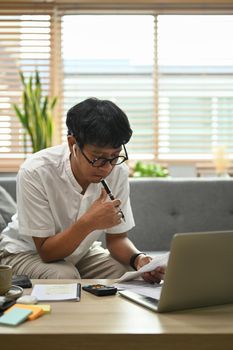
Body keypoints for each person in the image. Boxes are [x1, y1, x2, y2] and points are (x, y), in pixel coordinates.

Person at [0, 98, 165, 282]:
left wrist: (139, 259)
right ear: (73, 144)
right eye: (98, 158)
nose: (107, 168)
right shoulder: (35, 171)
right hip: (25, 252)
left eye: (114, 156)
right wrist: (89, 222)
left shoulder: (118, 171)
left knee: (127, 274)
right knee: (64, 276)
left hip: (79, 254)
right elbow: (46, 252)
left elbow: (117, 239)